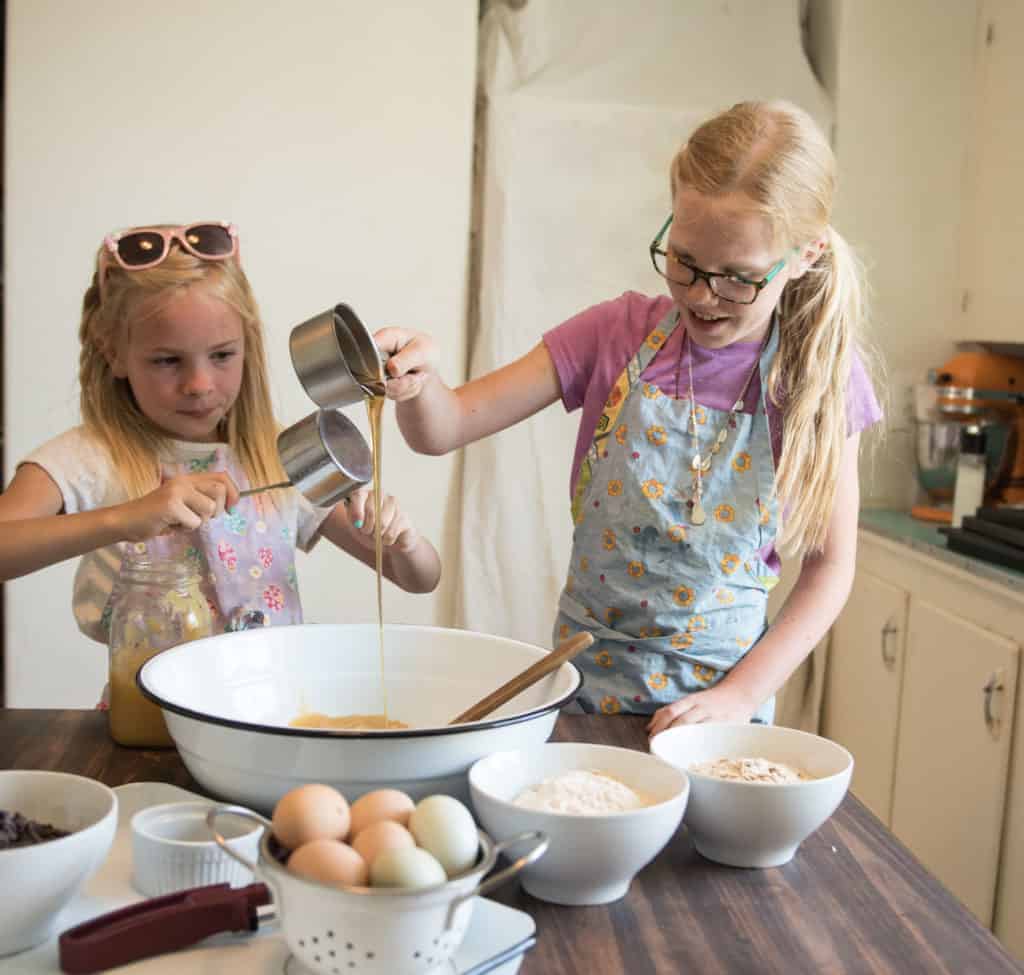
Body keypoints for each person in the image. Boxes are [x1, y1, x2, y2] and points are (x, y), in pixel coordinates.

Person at [375, 101, 882, 736]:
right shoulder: (612, 335)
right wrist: (418, 382)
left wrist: (739, 695)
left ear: (804, 256)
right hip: (583, 698)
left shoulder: (817, 378)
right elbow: (443, 429)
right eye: (685, 261)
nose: (702, 296)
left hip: (719, 718)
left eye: (737, 280)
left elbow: (831, 567)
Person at [0, 221, 441, 688]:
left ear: (247, 346)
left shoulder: (279, 454)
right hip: (148, 723)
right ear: (114, 353)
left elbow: (418, 578)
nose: (199, 384)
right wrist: (125, 518)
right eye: (167, 360)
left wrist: (403, 541)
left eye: (223, 355)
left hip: (272, 711)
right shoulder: (90, 457)